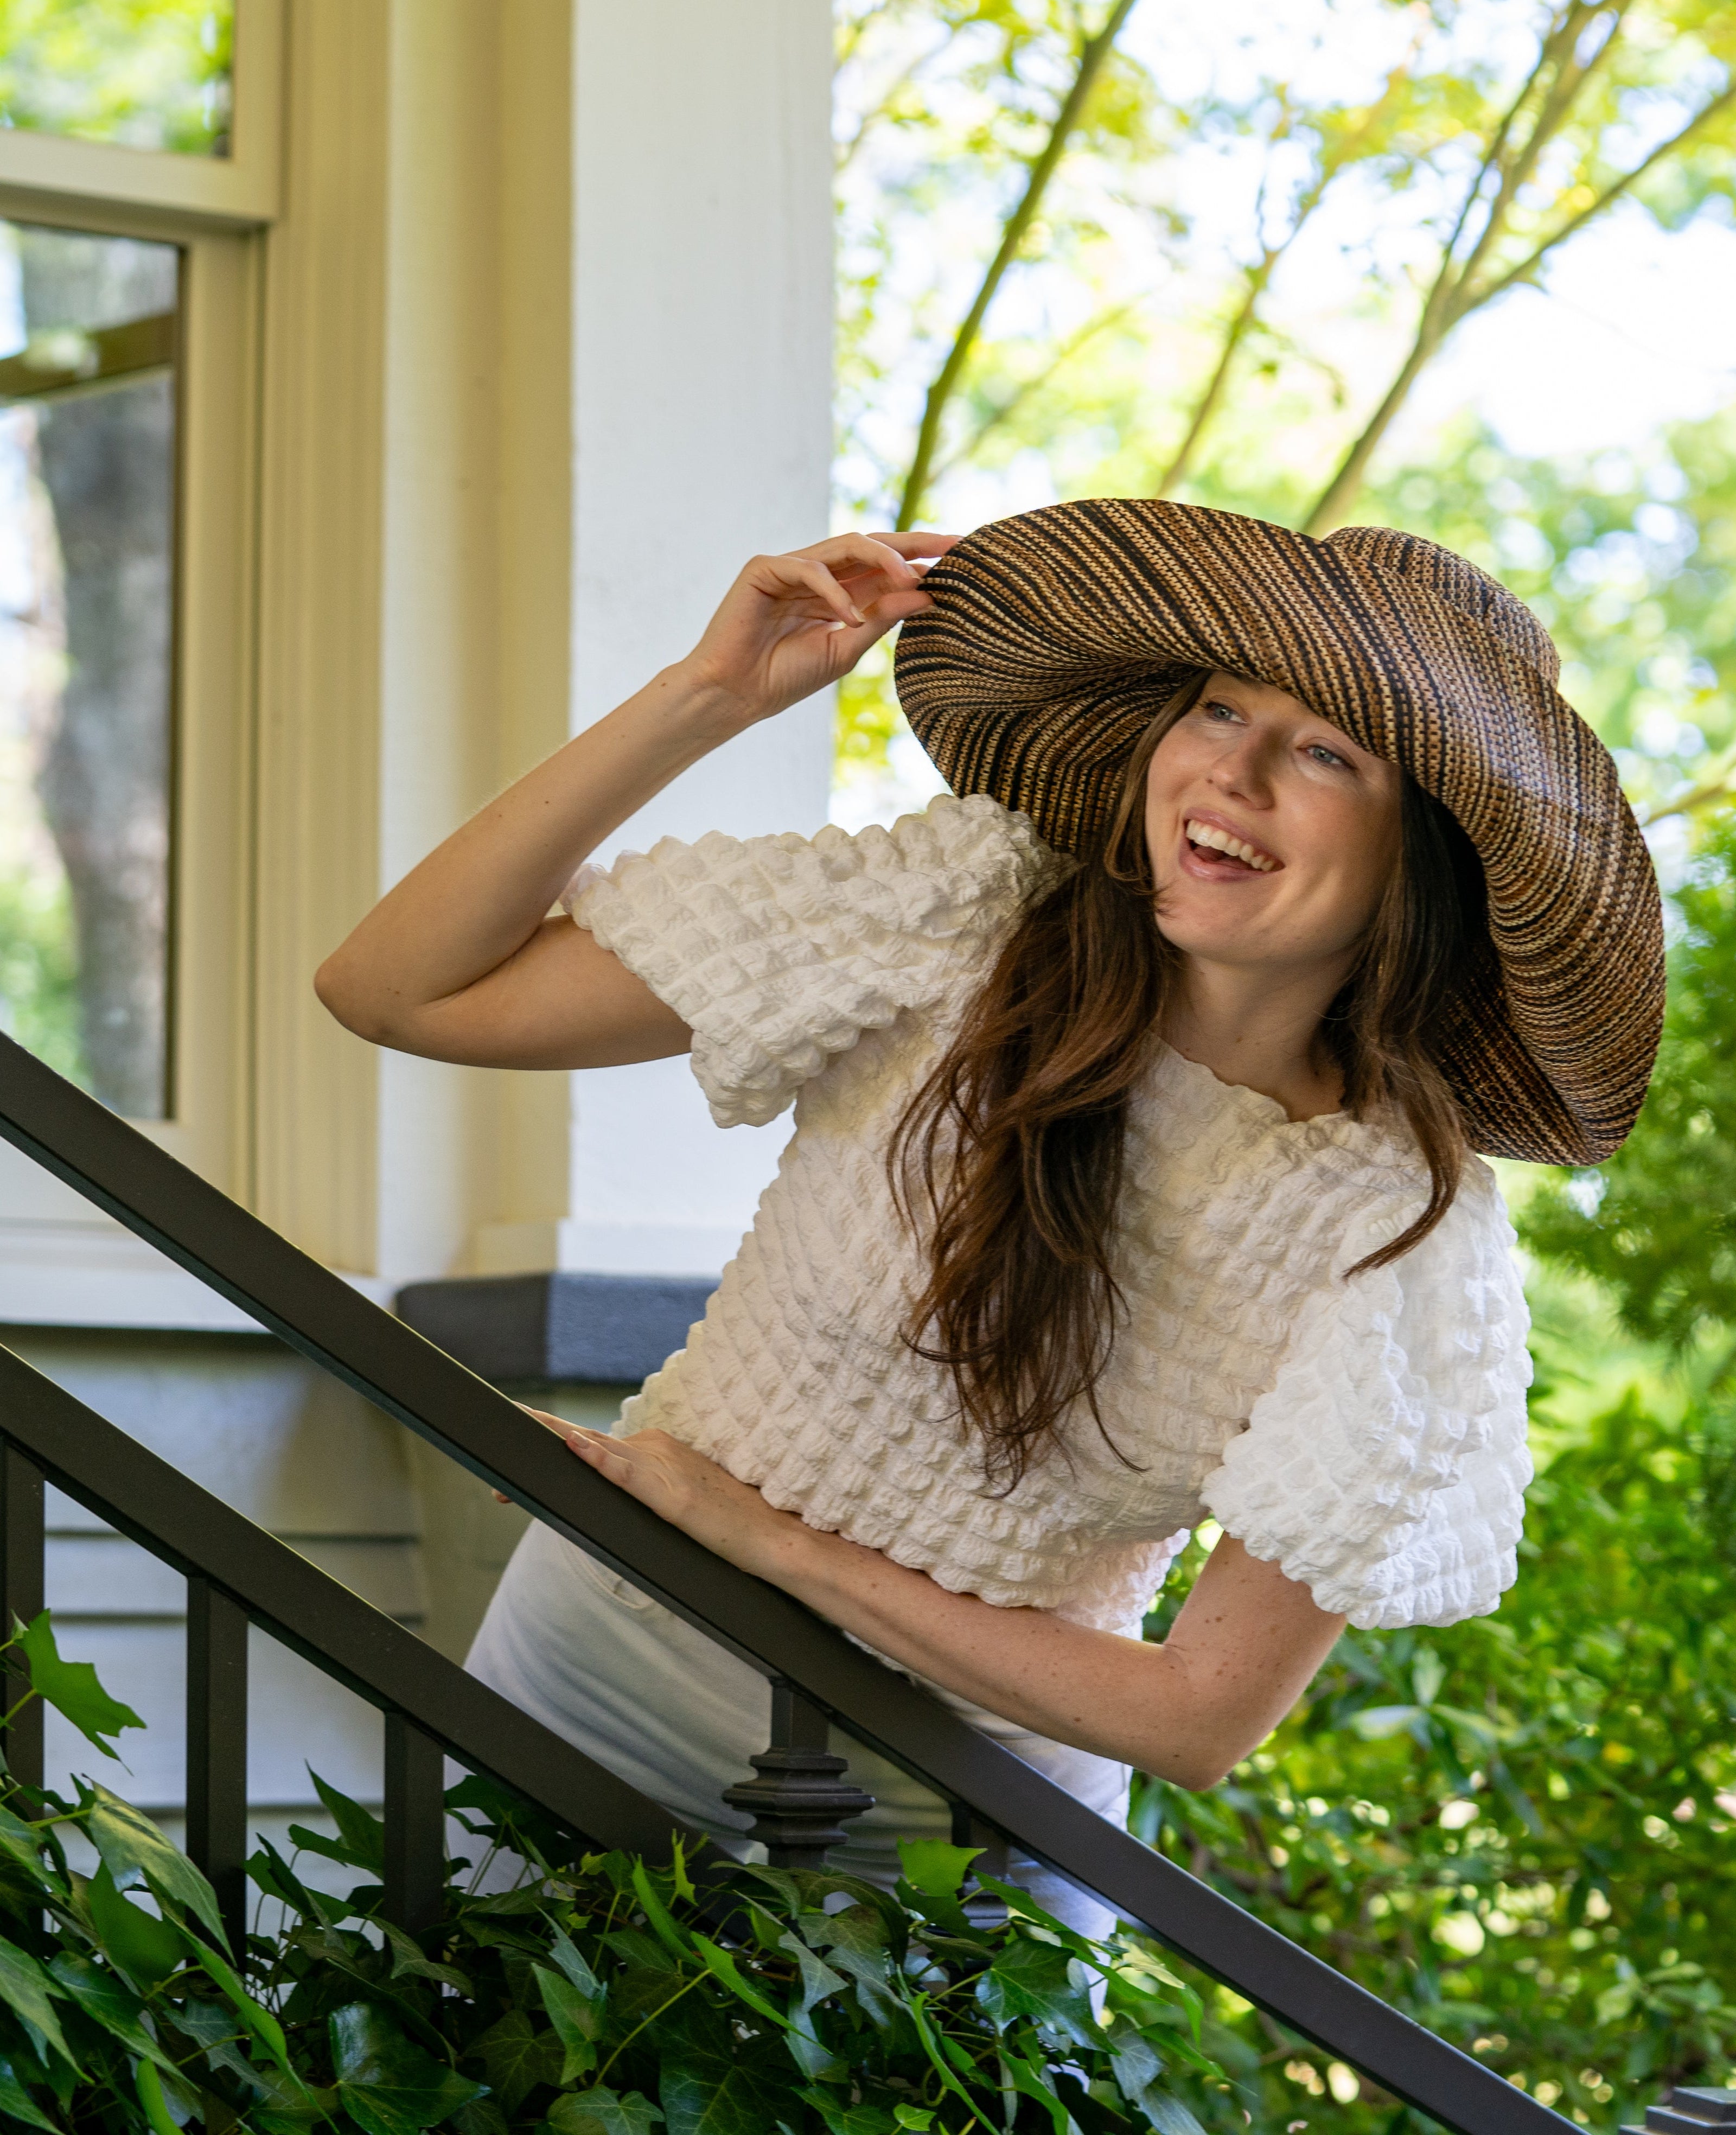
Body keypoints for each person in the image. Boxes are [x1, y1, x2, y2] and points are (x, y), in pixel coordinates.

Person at [316, 499, 1662, 1932]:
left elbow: (1201, 1719)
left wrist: (775, 1549)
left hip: (974, 1842)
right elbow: (397, 989)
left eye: (1329, 753)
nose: (1237, 769)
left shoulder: (1391, 1221)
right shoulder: (956, 918)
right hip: (597, 1690)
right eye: (1219, 708)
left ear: (1424, 857)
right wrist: (706, 695)